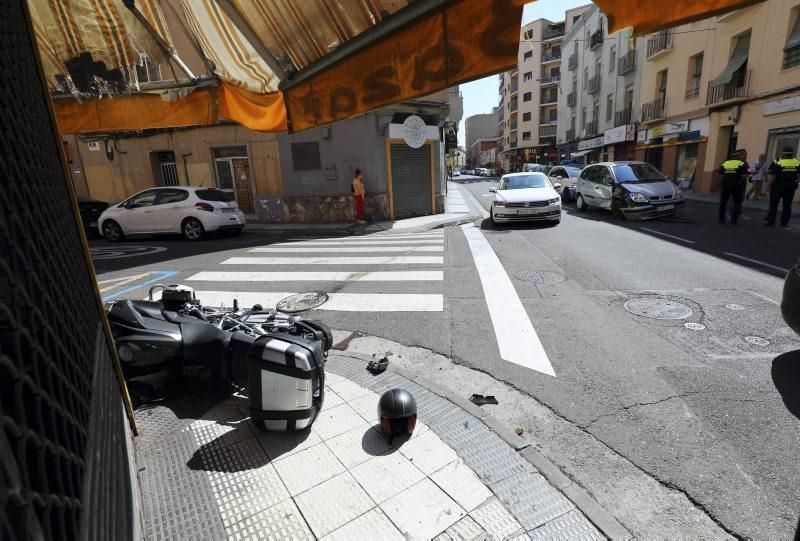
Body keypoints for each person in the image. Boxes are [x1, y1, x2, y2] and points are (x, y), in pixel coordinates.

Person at [765, 146, 800, 228]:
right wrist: (796, 182)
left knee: (773, 204)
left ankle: (771, 222)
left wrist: (767, 187)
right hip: (790, 186)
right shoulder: (797, 162)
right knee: (787, 205)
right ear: (792, 153)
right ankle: (784, 223)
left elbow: (772, 175)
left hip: (778, 186)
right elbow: (799, 176)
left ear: (783, 153)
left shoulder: (778, 161)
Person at [717, 149, 749, 225]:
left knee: (723, 203)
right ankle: (733, 220)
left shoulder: (726, 162)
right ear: (738, 155)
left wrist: (719, 186)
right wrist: (748, 175)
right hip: (736, 185)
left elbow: (720, 173)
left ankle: (721, 219)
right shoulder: (742, 163)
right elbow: (744, 176)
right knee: (737, 202)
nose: (745, 156)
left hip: (726, 185)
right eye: (743, 154)